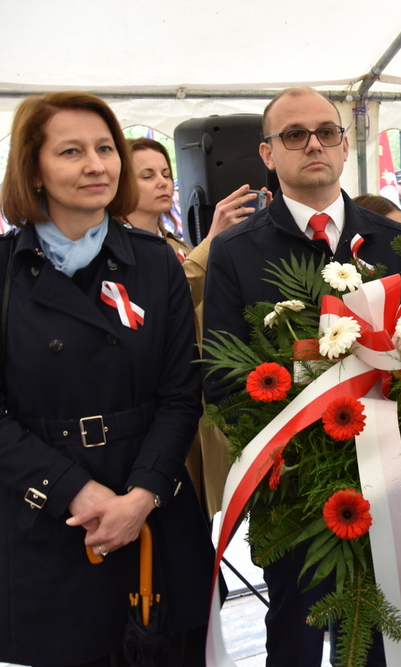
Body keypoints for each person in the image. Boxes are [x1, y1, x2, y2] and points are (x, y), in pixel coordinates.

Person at [0, 92, 214, 666]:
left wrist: (140, 496)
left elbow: (179, 396)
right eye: (71, 151)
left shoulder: (154, 262)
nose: (96, 164)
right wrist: (76, 490)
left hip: (155, 515)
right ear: (33, 169)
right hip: (50, 520)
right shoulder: (5, 272)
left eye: (105, 148)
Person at [202, 87, 401, 667]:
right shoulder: (236, 251)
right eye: (294, 135)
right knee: (294, 634)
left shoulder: (393, 241)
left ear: (347, 146)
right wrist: (285, 456)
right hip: (290, 488)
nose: (313, 143)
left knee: (377, 634)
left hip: (388, 477)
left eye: (325, 131)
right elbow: (220, 379)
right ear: (268, 154)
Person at [126, 137, 265, 519]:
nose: (163, 183)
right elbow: (159, 305)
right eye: (147, 175)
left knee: (211, 520)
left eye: (167, 174)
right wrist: (211, 244)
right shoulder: (117, 252)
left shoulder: (175, 245)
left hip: (202, 399)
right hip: (159, 408)